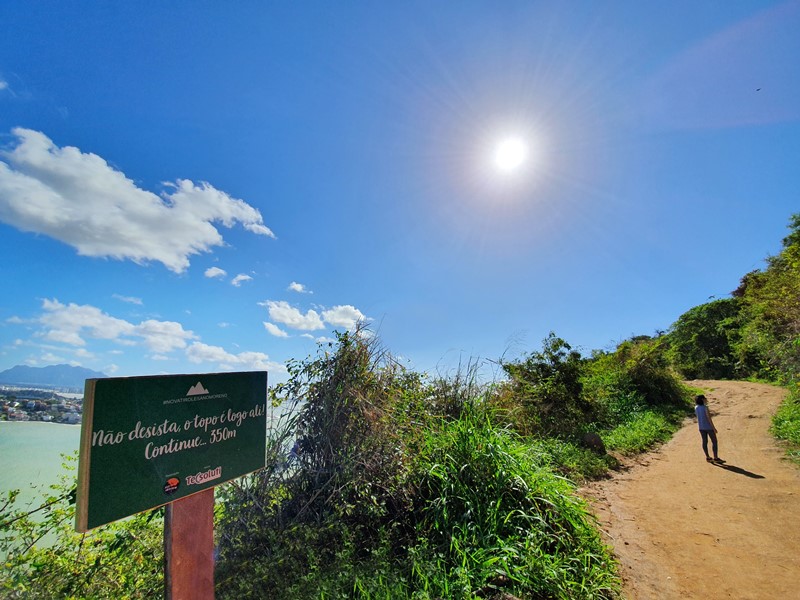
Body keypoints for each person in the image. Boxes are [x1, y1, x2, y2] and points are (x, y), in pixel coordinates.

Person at [695, 395, 722, 463]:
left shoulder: (696, 407)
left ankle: (708, 457)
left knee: (704, 442)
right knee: (714, 441)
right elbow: (709, 418)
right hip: (708, 427)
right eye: (705, 399)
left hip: (701, 427)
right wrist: (714, 428)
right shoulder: (705, 408)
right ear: (703, 400)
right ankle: (715, 457)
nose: (706, 400)